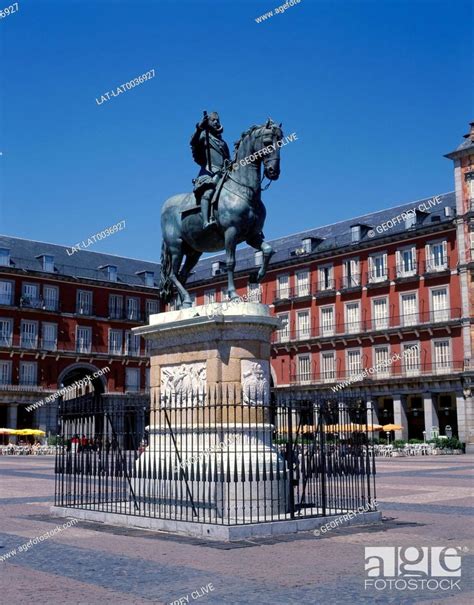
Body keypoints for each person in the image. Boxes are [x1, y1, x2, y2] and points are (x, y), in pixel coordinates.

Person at [190, 111, 231, 230]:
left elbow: (227, 158)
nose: (216, 122)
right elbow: (193, 142)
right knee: (208, 193)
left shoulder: (223, 143)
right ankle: (206, 221)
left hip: (224, 173)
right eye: (213, 120)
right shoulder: (204, 136)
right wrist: (199, 128)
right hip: (209, 172)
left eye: (217, 120)